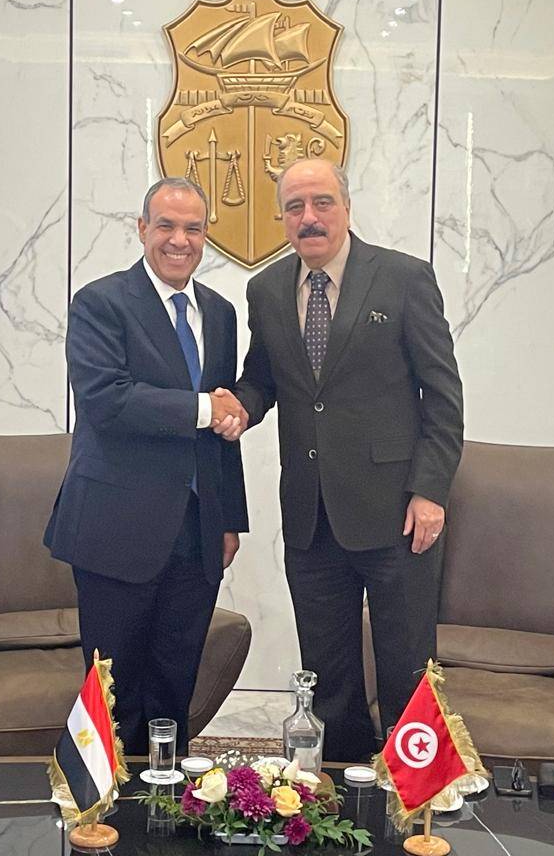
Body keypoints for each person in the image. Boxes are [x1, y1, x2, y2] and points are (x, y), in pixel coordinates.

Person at [220, 158, 464, 763]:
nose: (309, 217)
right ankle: (345, 791)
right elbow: (264, 378)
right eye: (295, 207)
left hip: (397, 513)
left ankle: (414, 796)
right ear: (282, 219)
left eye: (322, 202)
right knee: (328, 679)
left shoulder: (403, 278)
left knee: (408, 671)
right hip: (311, 517)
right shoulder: (266, 290)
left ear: (347, 208)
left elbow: (443, 393)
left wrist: (431, 490)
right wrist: (239, 407)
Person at [44, 176, 249, 755]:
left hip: (198, 531)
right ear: (142, 229)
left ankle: (165, 801)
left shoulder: (221, 313)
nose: (179, 240)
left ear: (206, 236)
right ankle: (103, 803)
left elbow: (223, 432)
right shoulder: (100, 303)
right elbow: (106, 401)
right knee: (113, 695)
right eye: (166, 226)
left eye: (193, 228)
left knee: (174, 689)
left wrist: (228, 518)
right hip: (116, 528)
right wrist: (204, 408)